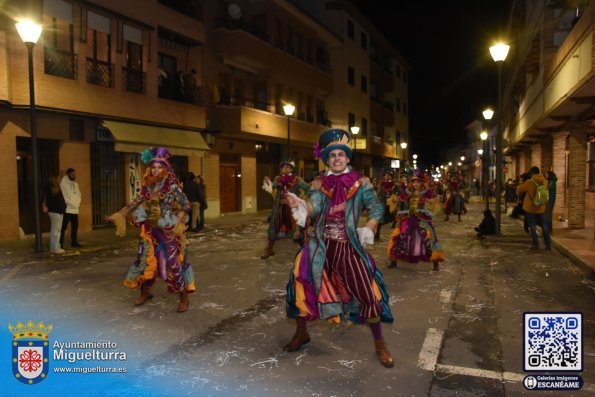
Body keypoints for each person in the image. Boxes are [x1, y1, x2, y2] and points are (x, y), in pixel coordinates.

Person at [284, 129, 394, 368]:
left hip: (348, 246)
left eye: (340, 154)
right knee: (300, 284)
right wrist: (301, 205)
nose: (336, 158)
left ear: (347, 158)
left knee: (366, 292)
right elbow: (314, 208)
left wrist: (371, 225)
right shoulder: (319, 183)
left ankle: (379, 343)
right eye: (331, 155)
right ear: (327, 159)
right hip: (320, 245)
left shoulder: (361, 183)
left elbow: (376, 209)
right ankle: (301, 332)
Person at [105, 147, 196, 312]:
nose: (156, 170)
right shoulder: (147, 187)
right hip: (149, 230)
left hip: (168, 229)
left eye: (159, 167)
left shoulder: (172, 186)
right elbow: (136, 202)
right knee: (145, 261)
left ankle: (184, 296)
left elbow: (186, 204)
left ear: (165, 168)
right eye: (153, 167)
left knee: (174, 263)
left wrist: (179, 219)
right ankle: (145, 292)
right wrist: (120, 214)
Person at [387, 169, 444, 271]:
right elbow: (400, 198)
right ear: (411, 183)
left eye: (418, 182)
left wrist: (429, 200)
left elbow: (435, 200)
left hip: (422, 218)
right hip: (409, 217)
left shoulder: (427, 192)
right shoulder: (408, 191)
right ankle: (393, 260)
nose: (416, 184)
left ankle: (435, 262)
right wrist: (395, 199)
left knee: (428, 237)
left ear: (422, 183)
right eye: (414, 182)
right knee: (401, 235)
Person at [260, 159, 311, 259]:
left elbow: (308, 188)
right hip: (279, 208)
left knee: (297, 230)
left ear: (291, 169)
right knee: (274, 228)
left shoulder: (297, 180)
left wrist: (301, 200)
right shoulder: (278, 179)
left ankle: (305, 252)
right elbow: (272, 186)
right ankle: (269, 249)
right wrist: (267, 181)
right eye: (283, 167)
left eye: (288, 167)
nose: (285, 168)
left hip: (292, 209)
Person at [517, 166, 551, 250]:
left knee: (532, 226)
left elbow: (520, 190)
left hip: (531, 208)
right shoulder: (545, 181)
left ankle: (536, 244)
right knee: (544, 226)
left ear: (531, 173)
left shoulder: (530, 182)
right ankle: (548, 245)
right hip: (541, 207)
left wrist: (521, 183)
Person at [43, 173, 67, 254]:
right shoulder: (49, 188)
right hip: (55, 211)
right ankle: (55, 248)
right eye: (59, 178)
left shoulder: (57, 187)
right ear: (55, 179)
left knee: (57, 230)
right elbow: (51, 200)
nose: (60, 180)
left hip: (58, 211)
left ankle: (56, 247)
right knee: (55, 230)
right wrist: (60, 207)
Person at [59, 168, 82, 249]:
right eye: (72, 174)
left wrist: (77, 203)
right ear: (68, 174)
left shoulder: (75, 184)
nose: (74, 176)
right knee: (63, 227)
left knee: (75, 226)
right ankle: (60, 243)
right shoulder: (63, 183)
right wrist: (71, 203)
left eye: (75, 174)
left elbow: (79, 195)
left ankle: (74, 242)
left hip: (75, 209)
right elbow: (64, 196)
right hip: (67, 209)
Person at [545, 170, 557, 234]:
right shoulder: (551, 181)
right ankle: (548, 228)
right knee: (547, 214)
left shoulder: (552, 182)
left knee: (548, 214)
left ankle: (548, 229)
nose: (545, 176)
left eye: (546, 174)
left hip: (550, 199)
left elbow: (548, 189)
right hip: (550, 199)